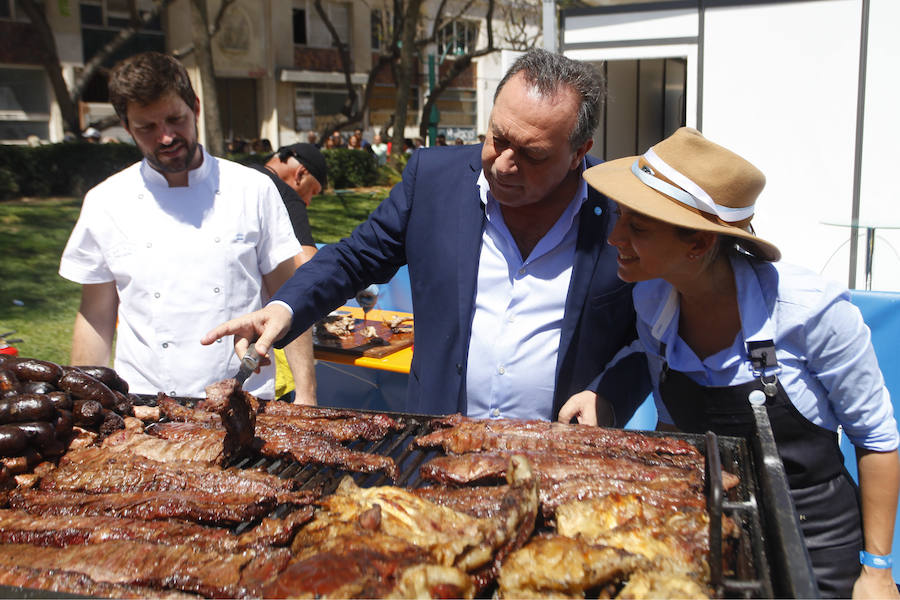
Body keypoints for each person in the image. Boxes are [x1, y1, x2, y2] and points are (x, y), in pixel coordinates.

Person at [202, 48, 648, 423]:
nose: (504, 164)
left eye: (532, 154)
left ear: (578, 153)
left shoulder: (622, 213)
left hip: (561, 463)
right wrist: (286, 306)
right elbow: (355, 257)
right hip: (438, 450)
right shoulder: (434, 179)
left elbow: (654, 334)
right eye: (498, 137)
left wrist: (607, 395)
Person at [557, 127, 900, 599]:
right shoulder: (651, 301)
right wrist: (606, 396)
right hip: (701, 528)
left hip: (814, 541)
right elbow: (655, 384)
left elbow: (877, 439)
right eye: (620, 217)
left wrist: (877, 571)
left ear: (697, 244)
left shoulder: (811, 311)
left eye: (637, 227)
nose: (614, 237)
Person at [59, 51, 308, 402]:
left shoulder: (252, 189)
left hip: (245, 397)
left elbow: (291, 296)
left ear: (196, 108)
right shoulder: (106, 202)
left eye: (175, 119)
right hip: (143, 403)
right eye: (147, 127)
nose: (165, 137)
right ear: (127, 127)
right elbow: (96, 316)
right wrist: (85, 403)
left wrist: (307, 396)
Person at [248, 143, 328, 402]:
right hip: (266, 348)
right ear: (300, 173)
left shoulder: (238, 176)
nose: (308, 201)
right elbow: (307, 266)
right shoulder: (283, 193)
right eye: (312, 192)